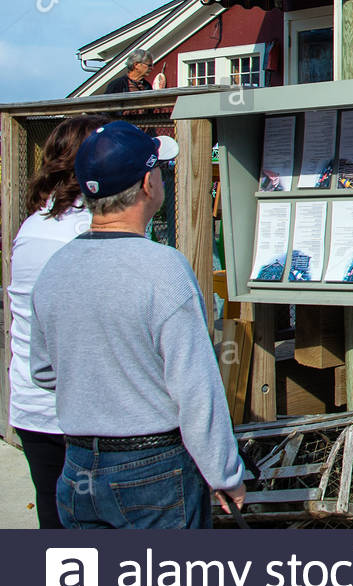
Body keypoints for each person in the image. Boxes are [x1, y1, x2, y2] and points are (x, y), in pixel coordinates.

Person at [29, 121, 246, 527]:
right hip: (152, 469)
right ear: (148, 183)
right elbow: (197, 390)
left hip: (77, 466)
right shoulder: (164, 269)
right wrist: (225, 474)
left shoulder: (55, 269)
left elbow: (42, 371)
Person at [6, 114, 109, 528]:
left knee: (53, 515)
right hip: (78, 415)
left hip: (32, 408)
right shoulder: (88, 234)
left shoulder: (35, 226)